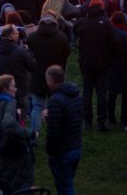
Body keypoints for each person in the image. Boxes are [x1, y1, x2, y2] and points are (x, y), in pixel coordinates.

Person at [0, 74, 34, 191]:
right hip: (11, 155)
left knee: (1, 188)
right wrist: (29, 133)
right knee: (17, 188)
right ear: (6, 89)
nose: (16, 89)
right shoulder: (10, 104)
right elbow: (8, 125)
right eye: (13, 86)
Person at [74, 0, 118, 132]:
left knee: (86, 93)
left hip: (86, 62)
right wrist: (110, 57)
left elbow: (75, 34)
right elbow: (114, 44)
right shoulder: (106, 23)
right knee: (101, 94)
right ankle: (101, 122)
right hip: (102, 63)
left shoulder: (82, 22)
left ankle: (87, 122)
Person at [27, 12, 71, 133]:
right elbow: (67, 52)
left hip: (37, 77)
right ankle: (54, 132)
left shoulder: (32, 37)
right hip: (56, 76)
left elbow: (29, 53)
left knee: (36, 107)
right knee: (56, 107)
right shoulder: (61, 37)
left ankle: (34, 134)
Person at [45, 64, 83, 195]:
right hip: (76, 147)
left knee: (65, 188)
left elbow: (54, 130)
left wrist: (51, 151)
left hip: (63, 151)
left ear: (51, 80)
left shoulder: (56, 100)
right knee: (67, 182)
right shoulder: (76, 95)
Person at [0, 24, 37, 120]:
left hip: (2, 91)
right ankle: (20, 131)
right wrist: (30, 52)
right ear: (10, 36)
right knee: (21, 118)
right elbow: (33, 66)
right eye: (16, 32)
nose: (18, 34)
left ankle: (3, 133)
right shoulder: (21, 51)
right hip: (19, 90)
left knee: (3, 117)